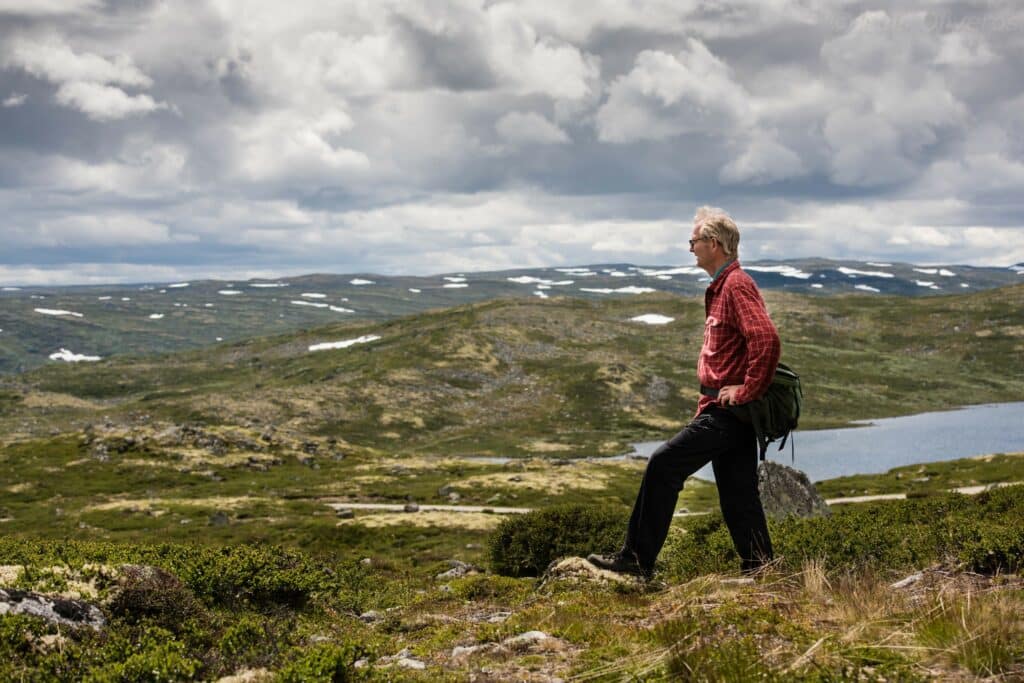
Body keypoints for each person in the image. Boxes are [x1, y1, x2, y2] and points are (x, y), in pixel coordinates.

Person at [588, 206, 780, 578]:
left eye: (693, 241)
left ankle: (636, 561)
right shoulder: (723, 285)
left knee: (663, 465)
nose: (690, 248)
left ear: (714, 244)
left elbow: (766, 339)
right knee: (738, 493)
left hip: (729, 410)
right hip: (723, 407)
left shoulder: (736, 285)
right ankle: (761, 569)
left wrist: (745, 391)